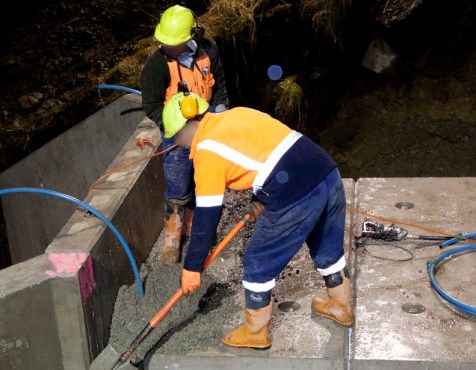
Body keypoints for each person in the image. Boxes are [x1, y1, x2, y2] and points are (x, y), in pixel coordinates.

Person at [161, 92, 354, 350]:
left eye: (178, 138)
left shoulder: (207, 152)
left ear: (188, 127)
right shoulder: (237, 114)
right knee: (326, 247)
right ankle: (341, 306)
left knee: (257, 260)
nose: (181, 145)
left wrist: (192, 267)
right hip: (326, 172)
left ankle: (255, 331)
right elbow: (267, 151)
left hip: (294, 190)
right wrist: (258, 199)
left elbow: (207, 218)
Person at [140, 5, 229, 265]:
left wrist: (221, 110)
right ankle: (172, 240)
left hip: (208, 125)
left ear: (192, 35)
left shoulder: (209, 50)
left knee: (206, 180)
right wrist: (172, 126)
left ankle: (198, 230)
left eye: (175, 43)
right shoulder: (157, 65)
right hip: (177, 132)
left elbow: (219, 83)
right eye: (166, 43)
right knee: (178, 183)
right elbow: (152, 105)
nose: (170, 47)